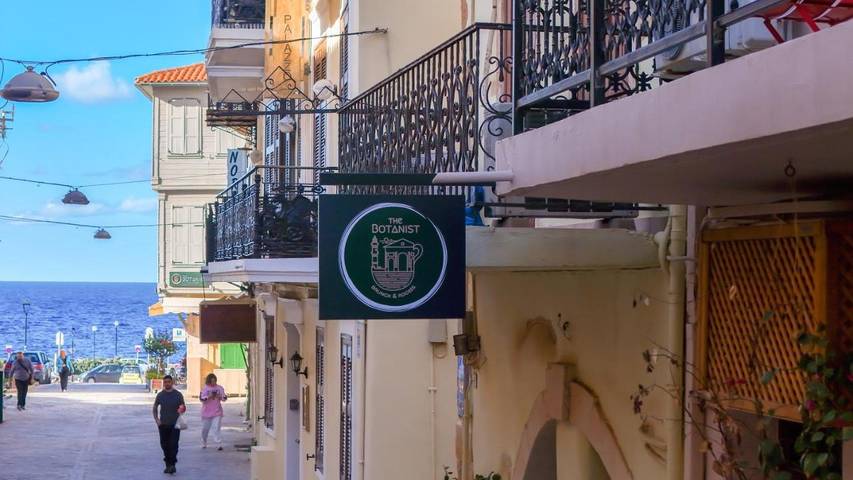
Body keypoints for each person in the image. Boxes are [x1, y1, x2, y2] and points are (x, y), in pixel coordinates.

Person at [152, 375, 186, 475]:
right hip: (163, 425)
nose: (167, 383)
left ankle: (172, 465)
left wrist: (182, 409)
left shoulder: (178, 395)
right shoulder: (160, 395)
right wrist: (157, 419)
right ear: (164, 383)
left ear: (172, 382)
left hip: (175, 424)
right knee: (164, 445)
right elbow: (155, 407)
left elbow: (183, 407)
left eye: (169, 382)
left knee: (174, 445)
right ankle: (168, 464)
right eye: (165, 382)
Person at [200, 373, 227, 450]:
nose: (213, 383)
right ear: (208, 381)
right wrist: (209, 396)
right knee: (205, 429)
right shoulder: (204, 389)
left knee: (216, 427)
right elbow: (201, 399)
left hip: (217, 412)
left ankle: (219, 443)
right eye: (212, 381)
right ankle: (204, 441)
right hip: (206, 413)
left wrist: (220, 397)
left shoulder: (220, 388)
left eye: (214, 381)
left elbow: (224, 398)